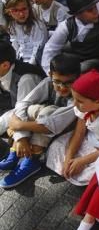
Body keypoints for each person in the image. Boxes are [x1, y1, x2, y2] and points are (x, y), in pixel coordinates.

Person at [0, 54, 80, 189]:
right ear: (50, 75)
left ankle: (32, 160)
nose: (62, 87)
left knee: (47, 112)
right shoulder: (48, 82)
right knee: (30, 108)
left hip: (63, 128)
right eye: (58, 81)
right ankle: (15, 151)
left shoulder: (80, 94)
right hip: (41, 124)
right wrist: (21, 138)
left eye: (68, 82)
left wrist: (18, 125)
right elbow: (23, 103)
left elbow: (52, 125)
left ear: (78, 78)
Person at [46, 70, 99, 188]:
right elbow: (79, 133)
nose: (75, 104)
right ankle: (69, 169)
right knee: (56, 145)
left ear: (98, 102)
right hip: (91, 139)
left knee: (98, 171)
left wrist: (83, 161)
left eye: (79, 101)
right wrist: (69, 158)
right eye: (74, 99)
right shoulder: (84, 108)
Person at [41, 0, 99, 74]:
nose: (95, 12)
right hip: (76, 58)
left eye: (95, 7)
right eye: (90, 10)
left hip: (98, 60)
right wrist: (49, 71)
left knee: (83, 67)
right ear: (77, 14)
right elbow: (51, 47)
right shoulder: (66, 25)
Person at [0, 42, 44, 141]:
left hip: (32, 119)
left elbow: (22, 110)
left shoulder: (27, 79)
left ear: (5, 65)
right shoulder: (3, 71)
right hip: (9, 111)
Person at [3, 0, 48, 66]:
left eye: (24, 9)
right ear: (9, 12)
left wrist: (28, 66)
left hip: (36, 62)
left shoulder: (38, 26)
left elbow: (37, 51)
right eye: (15, 10)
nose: (21, 14)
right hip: (20, 60)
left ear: (29, 8)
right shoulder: (12, 25)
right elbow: (15, 44)